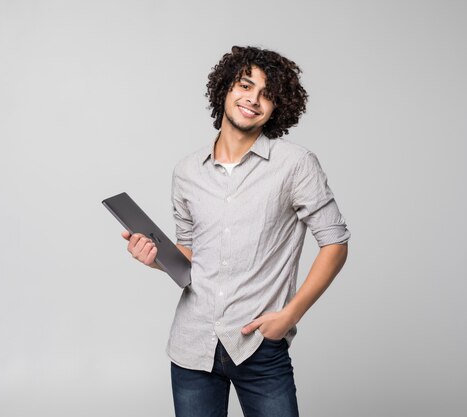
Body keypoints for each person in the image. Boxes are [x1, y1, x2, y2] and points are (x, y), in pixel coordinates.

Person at [121, 45, 350, 417]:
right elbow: (189, 257)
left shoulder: (295, 165)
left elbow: (335, 243)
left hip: (258, 347)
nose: (253, 100)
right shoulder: (187, 172)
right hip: (192, 347)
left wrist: (291, 315)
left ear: (278, 108)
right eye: (245, 86)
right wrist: (154, 259)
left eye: (267, 95)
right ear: (226, 88)